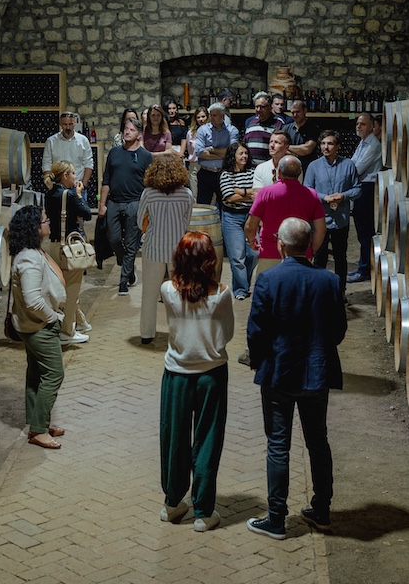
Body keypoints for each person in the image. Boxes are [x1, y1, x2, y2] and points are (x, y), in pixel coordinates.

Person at [245, 217, 346, 540]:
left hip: (279, 373)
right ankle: (322, 511)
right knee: (318, 442)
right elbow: (338, 330)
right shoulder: (329, 280)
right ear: (310, 245)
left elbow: (256, 331)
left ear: (281, 245)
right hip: (316, 373)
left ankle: (276, 519)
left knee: (278, 445)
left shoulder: (269, 279)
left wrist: (259, 361)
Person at [158, 231, 235, 533]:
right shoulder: (222, 294)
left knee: (174, 437)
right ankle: (203, 511)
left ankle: (173, 502)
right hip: (211, 374)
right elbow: (227, 333)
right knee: (207, 440)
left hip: (176, 373)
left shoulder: (167, 290)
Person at [8, 205, 69, 450]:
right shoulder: (29, 259)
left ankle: (37, 423)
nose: (49, 223)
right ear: (34, 227)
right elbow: (33, 300)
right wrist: (53, 318)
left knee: (36, 374)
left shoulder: (32, 252)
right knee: (54, 374)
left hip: (33, 325)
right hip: (39, 326)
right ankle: (39, 431)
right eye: (45, 221)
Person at [137, 155, 195, 343]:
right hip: (178, 250)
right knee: (180, 294)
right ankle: (180, 333)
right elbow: (187, 222)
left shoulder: (148, 194)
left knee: (149, 294)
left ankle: (147, 334)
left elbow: (140, 221)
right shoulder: (186, 194)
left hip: (153, 248)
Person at [244, 155, 325, 277]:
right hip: (301, 256)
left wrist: (251, 241)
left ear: (279, 172)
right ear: (299, 172)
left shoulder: (265, 193)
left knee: (267, 287)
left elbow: (250, 225)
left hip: (270, 252)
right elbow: (321, 229)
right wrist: (311, 249)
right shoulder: (312, 195)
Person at [303, 130, 360, 294]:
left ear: (338, 146)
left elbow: (357, 189)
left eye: (329, 143)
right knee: (319, 258)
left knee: (340, 258)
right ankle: (318, 292)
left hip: (341, 219)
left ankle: (340, 292)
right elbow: (307, 190)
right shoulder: (314, 166)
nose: (325, 147)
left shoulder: (348, 165)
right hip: (320, 220)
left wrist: (343, 196)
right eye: (323, 143)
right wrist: (324, 197)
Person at [99, 118, 152, 295]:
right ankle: (128, 268)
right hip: (114, 201)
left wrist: (148, 208)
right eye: (125, 129)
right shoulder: (114, 152)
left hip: (135, 203)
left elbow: (150, 184)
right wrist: (102, 204)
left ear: (139, 134)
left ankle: (123, 281)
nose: (127, 132)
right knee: (113, 238)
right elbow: (106, 180)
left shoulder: (145, 156)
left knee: (131, 243)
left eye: (131, 130)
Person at [43, 161, 92, 343]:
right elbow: (87, 213)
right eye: (72, 173)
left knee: (66, 286)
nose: (75, 176)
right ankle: (67, 332)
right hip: (69, 248)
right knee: (72, 290)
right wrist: (79, 194)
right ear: (65, 176)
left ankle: (81, 322)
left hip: (54, 246)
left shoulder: (50, 194)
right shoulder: (69, 195)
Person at [346, 113, 384, 283]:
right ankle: (363, 267)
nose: (358, 126)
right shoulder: (363, 143)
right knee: (362, 232)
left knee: (366, 232)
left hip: (368, 189)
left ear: (371, 127)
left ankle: (365, 270)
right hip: (361, 187)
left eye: (362, 124)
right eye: (357, 124)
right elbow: (351, 164)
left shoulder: (373, 145)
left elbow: (357, 168)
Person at [218, 142, 258, 300]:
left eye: (246, 153)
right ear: (233, 156)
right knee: (237, 257)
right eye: (241, 153)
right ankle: (241, 289)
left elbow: (258, 193)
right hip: (231, 218)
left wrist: (240, 191)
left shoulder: (253, 172)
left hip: (251, 216)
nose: (244, 156)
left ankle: (244, 283)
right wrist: (249, 192)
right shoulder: (225, 174)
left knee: (254, 253)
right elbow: (229, 197)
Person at [191, 102, 240, 205]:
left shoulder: (232, 130)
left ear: (222, 116)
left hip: (224, 174)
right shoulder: (202, 130)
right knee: (203, 206)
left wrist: (211, 149)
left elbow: (232, 152)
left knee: (225, 204)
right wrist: (223, 154)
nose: (211, 118)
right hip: (206, 173)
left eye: (214, 115)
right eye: (210, 115)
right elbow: (200, 152)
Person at [41, 111, 94, 195]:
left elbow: (88, 165)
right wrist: (50, 185)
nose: (68, 127)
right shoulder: (51, 141)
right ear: (60, 124)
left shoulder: (83, 141)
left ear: (75, 123)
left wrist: (83, 185)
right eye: (65, 124)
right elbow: (46, 164)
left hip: (77, 188)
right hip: (57, 188)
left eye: (70, 124)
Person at [243, 91, 283, 164]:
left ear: (270, 107)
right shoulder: (251, 123)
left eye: (262, 107)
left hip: (268, 167)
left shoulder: (278, 123)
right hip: (250, 167)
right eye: (257, 107)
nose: (258, 110)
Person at [283, 99, 320, 170]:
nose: (295, 115)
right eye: (293, 112)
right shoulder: (285, 129)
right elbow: (280, 149)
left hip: (308, 168)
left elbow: (307, 149)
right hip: (289, 168)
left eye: (297, 112)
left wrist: (287, 147)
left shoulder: (313, 128)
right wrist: (298, 151)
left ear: (305, 111)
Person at [185, 106, 209, 194]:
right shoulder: (190, 133)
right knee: (195, 193)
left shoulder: (212, 131)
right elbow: (189, 149)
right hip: (195, 165)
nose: (201, 119)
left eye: (203, 116)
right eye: (198, 117)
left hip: (208, 164)